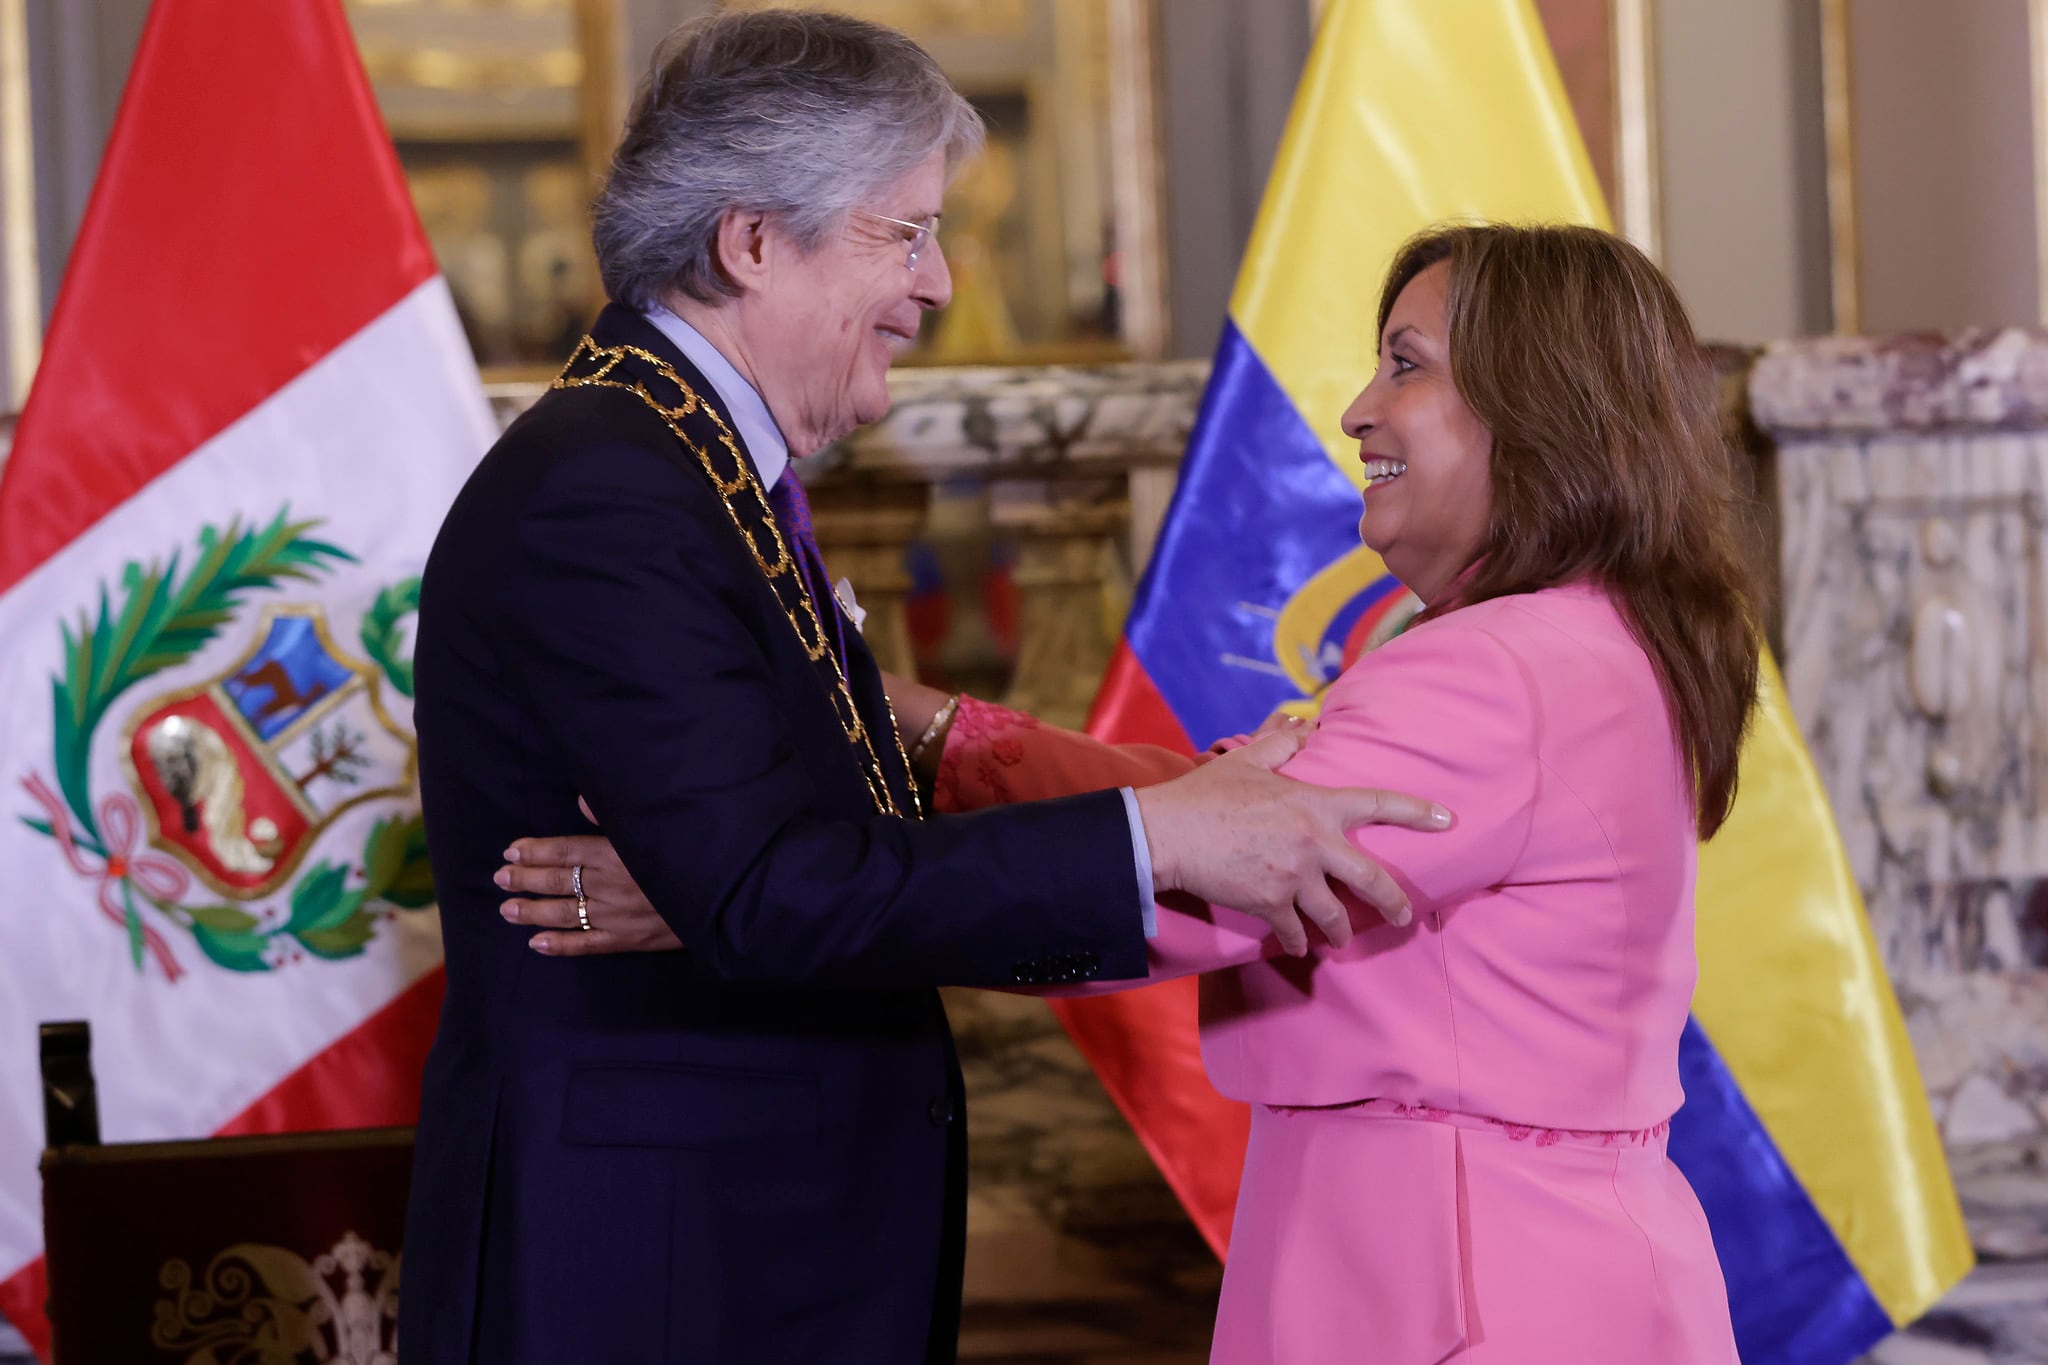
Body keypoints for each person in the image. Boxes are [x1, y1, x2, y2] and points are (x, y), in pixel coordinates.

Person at [513, 222, 1759, 1363]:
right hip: (1511, 1257)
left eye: (1405, 364)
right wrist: (918, 727)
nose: (1355, 408)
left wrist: (752, 889)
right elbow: (1201, 821)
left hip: (1460, 1285)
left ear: (1535, 406)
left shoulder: (1491, 672)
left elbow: (1193, 882)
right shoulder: (1583, 643)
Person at [399, 12, 1449, 1365]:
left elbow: (774, 869)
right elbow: (778, 894)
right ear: (754, 240)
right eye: (905, 234)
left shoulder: (685, 460)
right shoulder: (614, 491)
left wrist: (714, 884)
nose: (942, 281)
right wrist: (1160, 837)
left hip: (737, 1245)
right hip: (660, 1269)